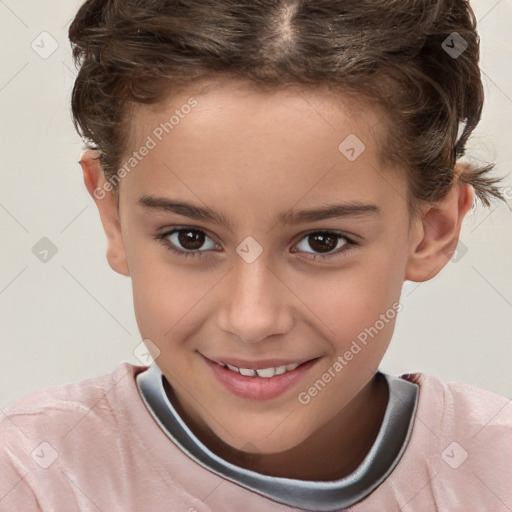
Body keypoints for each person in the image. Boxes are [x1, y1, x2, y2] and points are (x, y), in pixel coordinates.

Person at [1, 0, 510, 510]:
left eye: (322, 242)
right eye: (190, 238)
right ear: (113, 216)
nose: (251, 320)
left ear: (432, 229)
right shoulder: (34, 476)